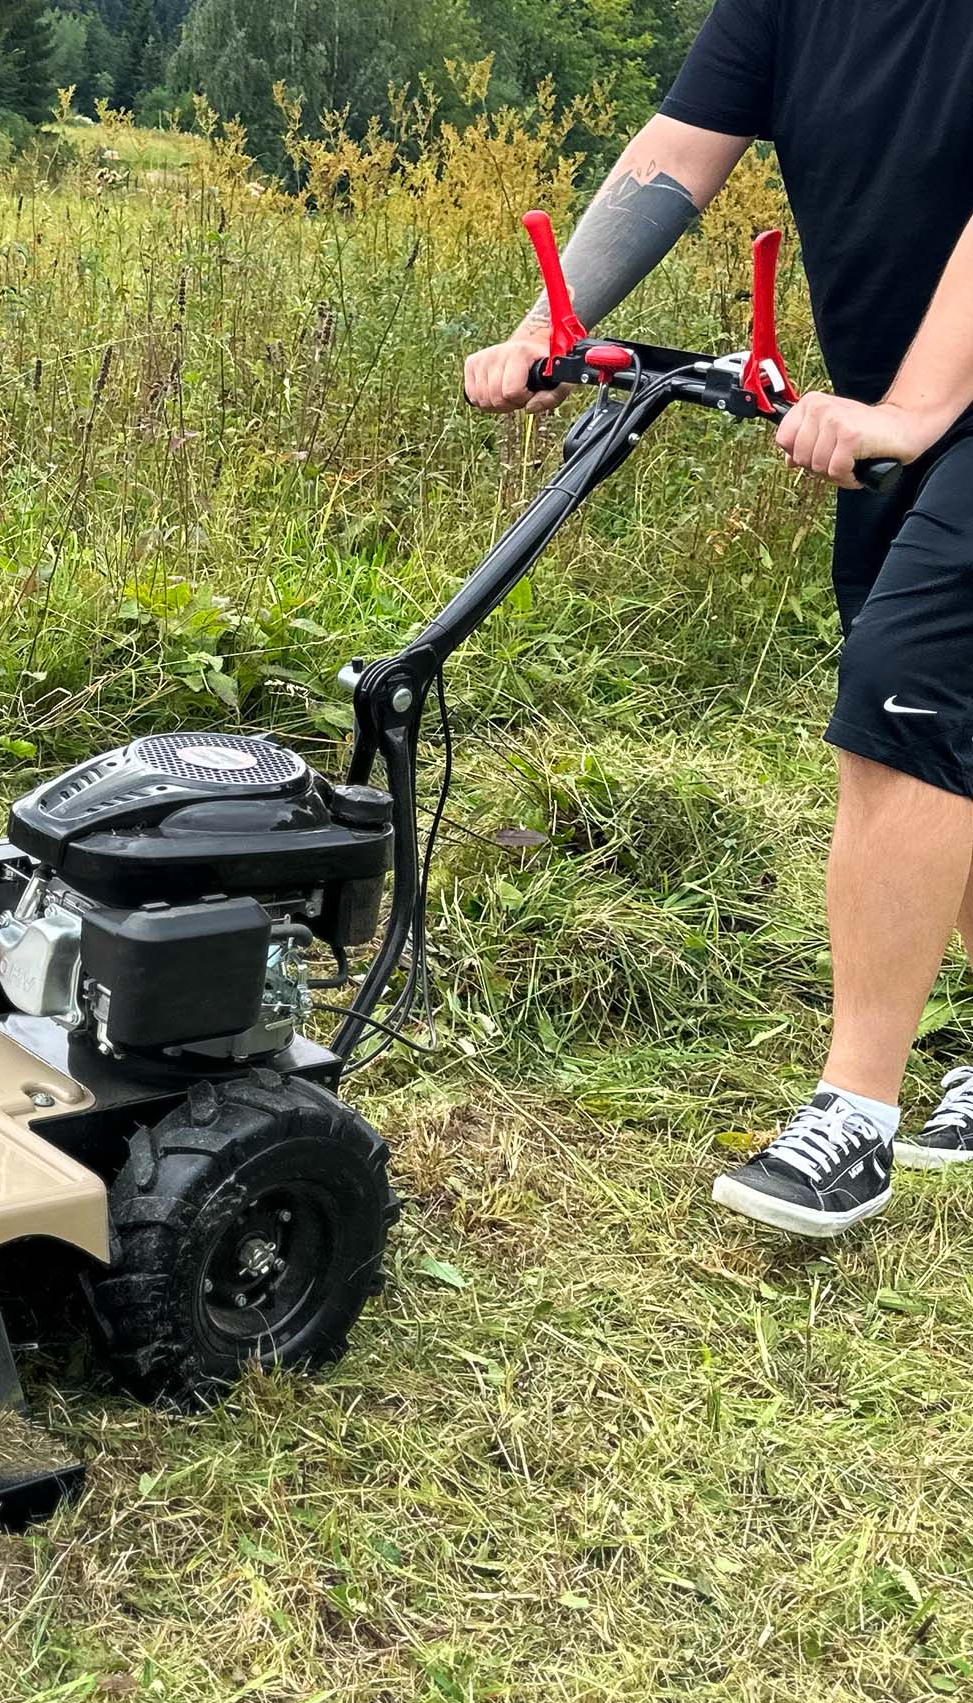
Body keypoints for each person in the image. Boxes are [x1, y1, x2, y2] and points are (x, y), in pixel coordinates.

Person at [464, 0, 973, 1239]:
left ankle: (854, 1113)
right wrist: (549, 327)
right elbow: (670, 157)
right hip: (900, 416)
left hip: (926, 404)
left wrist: (905, 409)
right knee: (945, 734)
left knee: (901, 697)